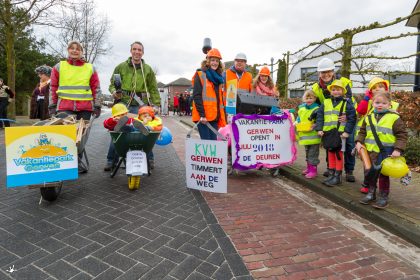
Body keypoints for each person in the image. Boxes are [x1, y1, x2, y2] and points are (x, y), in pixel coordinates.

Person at [105, 41, 160, 171]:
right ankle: (111, 160)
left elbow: (153, 88)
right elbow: (112, 83)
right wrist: (114, 92)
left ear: (143, 52)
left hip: (141, 105)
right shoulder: (121, 67)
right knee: (117, 130)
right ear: (131, 51)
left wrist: (156, 104)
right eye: (134, 49)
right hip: (123, 103)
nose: (137, 52)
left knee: (146, 131)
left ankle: (149, 158)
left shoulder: (148, 70)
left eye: (139, 50)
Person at [356, 92, 407, 209]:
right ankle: (370, 193)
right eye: (377, 102)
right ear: (372, 103)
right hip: (370, 151)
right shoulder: (368, 117)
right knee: (370, 173)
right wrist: (359, 142)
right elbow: (362, 132)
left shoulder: (395, 118)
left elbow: (402, 135)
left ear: (389, 104)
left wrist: (398, 149)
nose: (380, 105)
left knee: (383, 175)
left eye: (384, 103)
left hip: (386, 151)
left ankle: (383, 197)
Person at [312, 57, 357, 183]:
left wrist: (348, 117)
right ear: (319, 73)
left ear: (333, 71)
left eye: (328, 71)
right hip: (330, 121)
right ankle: (330, 168)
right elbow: (317, 106)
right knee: (330, 144)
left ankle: (349, 170)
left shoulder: (344, 82)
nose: (326, 74)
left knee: (348, 144)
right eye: (323, 72)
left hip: (346, 119)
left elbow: (349, 103)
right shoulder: (316, 88)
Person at [355, 77, 400, 194]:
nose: (377, 89)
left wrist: (398, 149)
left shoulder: (393, 108)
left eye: (380, 86)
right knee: (368, 166)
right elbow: (360, 110)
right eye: (373, 88)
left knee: (383, 172)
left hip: (384, 147)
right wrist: (359, 141)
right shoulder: (370, 103)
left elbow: (400, 132)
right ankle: (369, 187)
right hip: (368, 143)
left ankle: (383, 194)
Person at [49, 41, 102, 120]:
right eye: (72, 48)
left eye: (78, 49)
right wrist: (52, 105)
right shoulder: (59, 67)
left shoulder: (90, 68)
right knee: (66, 131)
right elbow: (53, 87)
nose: (74, 50)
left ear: (81, 52)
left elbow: (96, 88)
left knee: (82, 131)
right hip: (64, 107)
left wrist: (97, 105)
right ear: (68, 50)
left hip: (85, 108)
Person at [192, 48, 226, 140]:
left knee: (213, 144)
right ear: (208, 61)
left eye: (217, 61)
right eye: (212, 60)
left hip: (214, 117)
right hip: (203, 118)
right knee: (207, 144)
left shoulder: (219, 78)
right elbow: (197, 96)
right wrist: (202, 115)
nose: (215, 63)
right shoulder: (200, 75)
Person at [296, 90, 321, 179]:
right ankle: (309, 168)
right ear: (304, 99)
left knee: (313, 154)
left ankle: (313, 170)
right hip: (304, 136)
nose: (309, 100)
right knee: (307, 153)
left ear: (314, 99)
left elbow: (319, 120)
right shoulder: (302, 108)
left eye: (311, 98)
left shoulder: (317, 109)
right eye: (307, 98)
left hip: (313, 136)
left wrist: (315, 126)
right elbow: (299, 118)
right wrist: (297, 122)